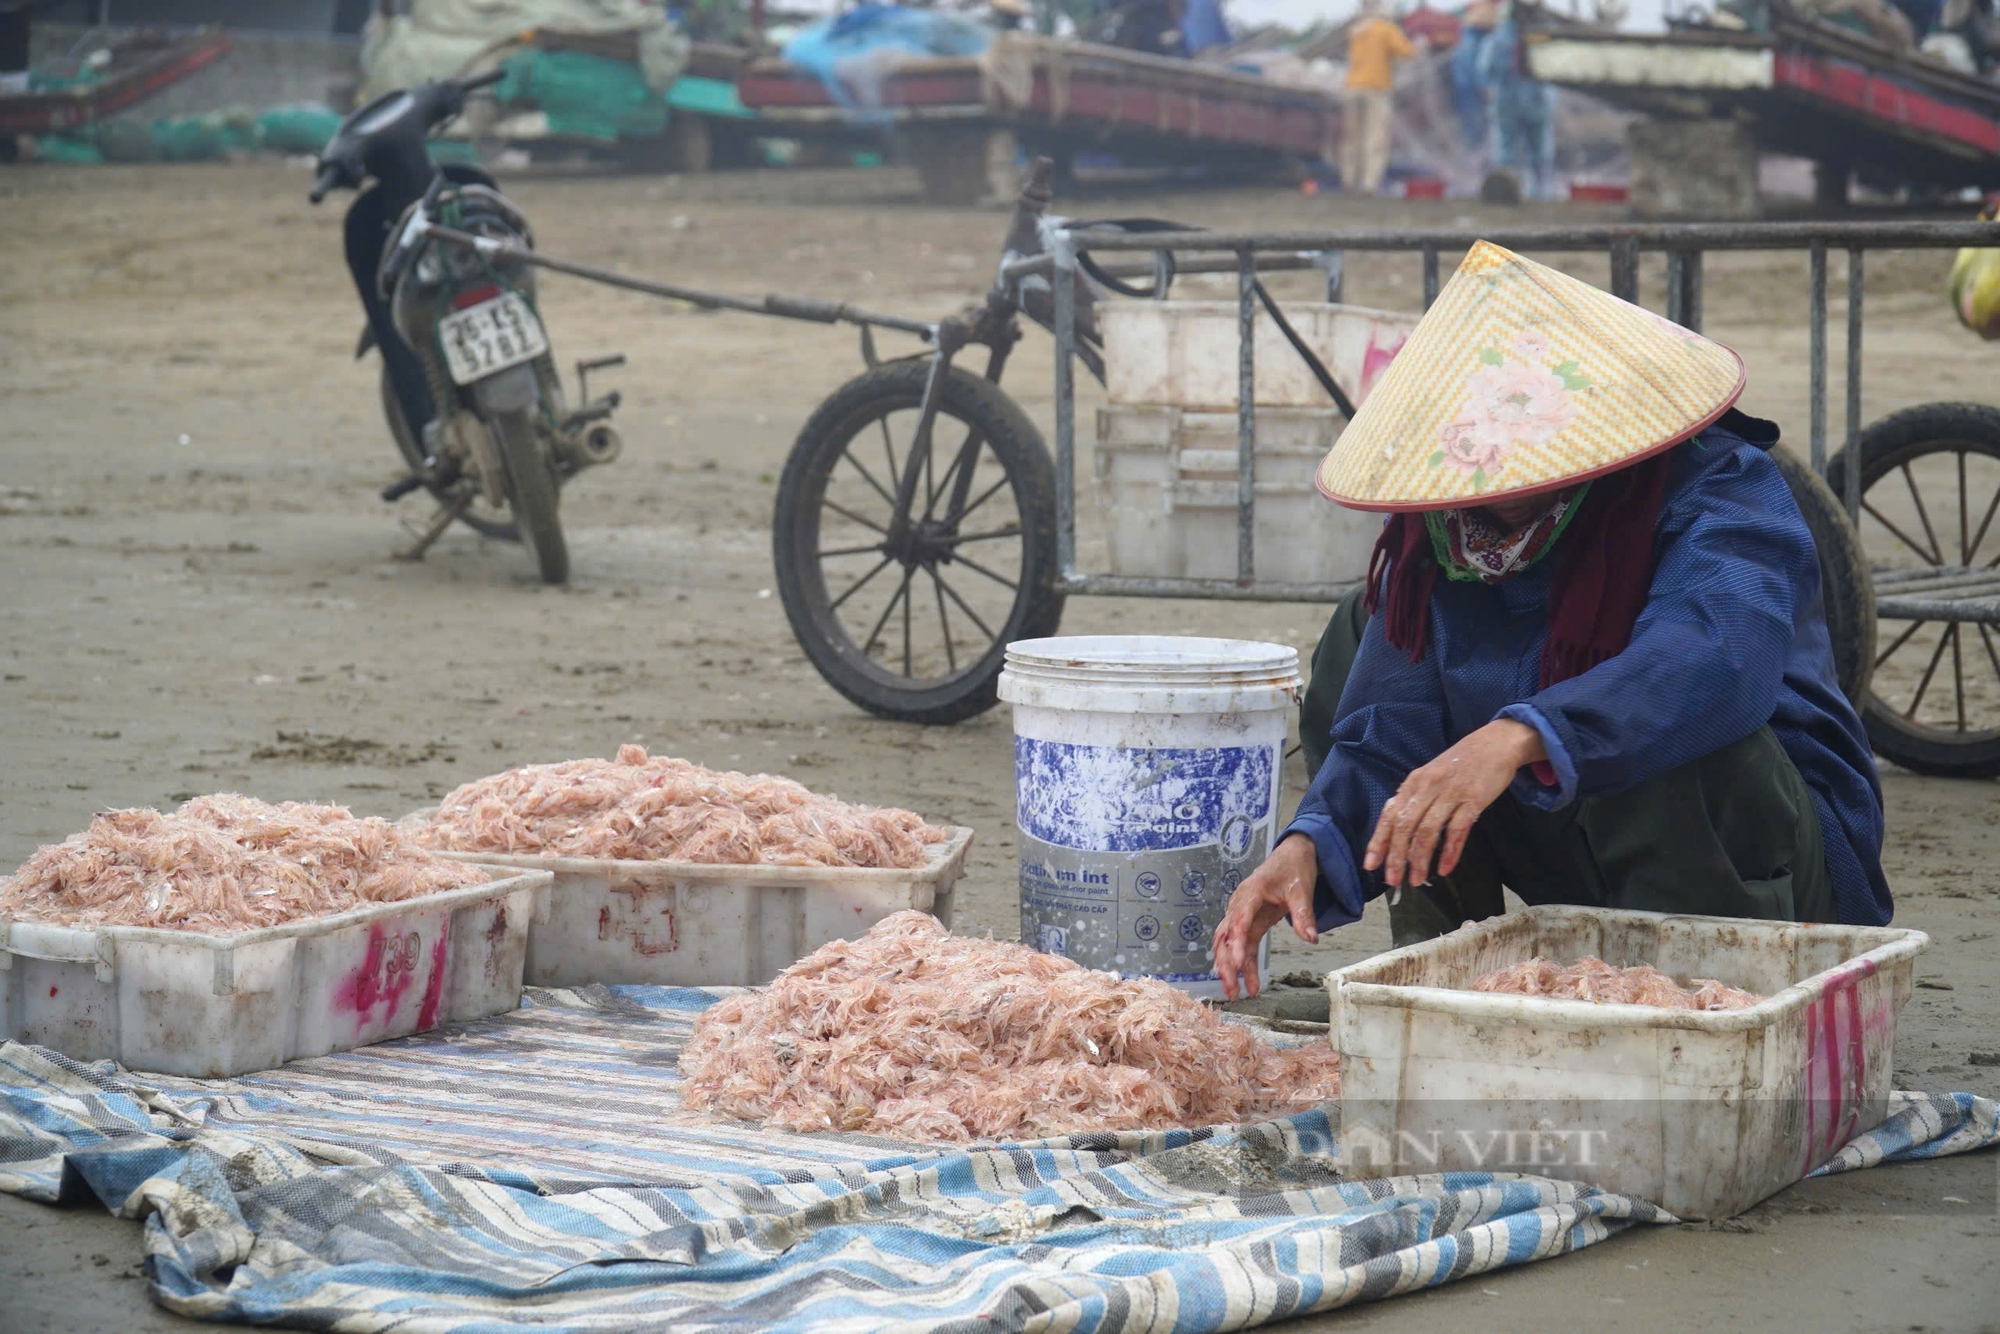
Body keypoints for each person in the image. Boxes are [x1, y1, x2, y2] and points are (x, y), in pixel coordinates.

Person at [1212, 241, 1890, 999]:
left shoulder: (1716, 484)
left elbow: (1715, 655)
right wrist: (1311, 842)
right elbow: (1387, 730)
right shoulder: (1440, 532)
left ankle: (1694, 994)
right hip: (1578, 840)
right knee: (1363, 626)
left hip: (1765, 866)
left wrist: (1523, 734)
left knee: (1658, 721)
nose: (1495, 493)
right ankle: (1449, 970)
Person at [1342, 0, 1416, 194]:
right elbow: (1407, 52)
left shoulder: (1355, 31)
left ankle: (1349, 179)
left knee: (1352, 136)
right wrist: (1421, 44)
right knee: (1375, 137)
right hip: (1376, 89)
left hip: (1352, 87)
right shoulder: (1386, 29)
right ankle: (1369, 183)